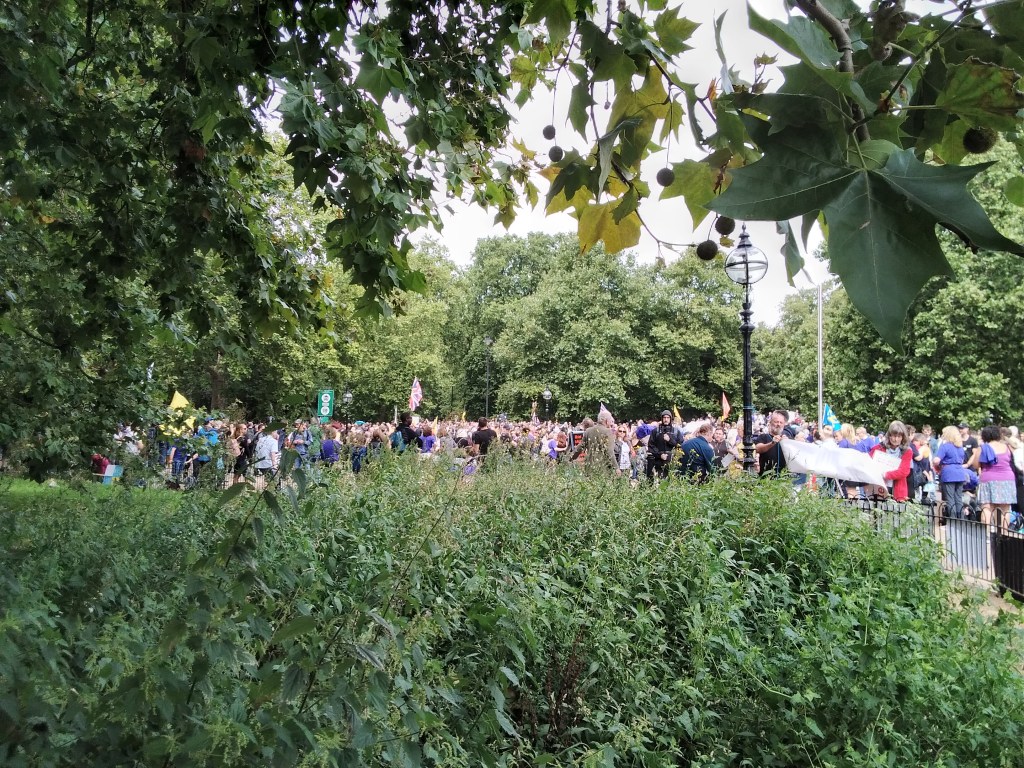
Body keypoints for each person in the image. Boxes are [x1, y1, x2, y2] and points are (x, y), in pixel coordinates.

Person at [973, 425, 1017, 528]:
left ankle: (987, 535)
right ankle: (1003, 535)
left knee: (987, 508)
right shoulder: (1007, 447)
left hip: (988, 478)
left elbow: (975, 465)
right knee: (1005, 510)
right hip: (1007, 479)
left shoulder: (983, 448)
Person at [868, 421, 913, 502]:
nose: (896, 439)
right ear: (889, 435)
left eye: (899, 436)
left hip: (898, 490)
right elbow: (868, 465)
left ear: (903, 437)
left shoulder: (907, 451)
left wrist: (886, 474)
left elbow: (904, 471)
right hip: (879, 487)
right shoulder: (877, 448)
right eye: (894, 436)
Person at [933, 425, 967, 520]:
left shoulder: (945, 446)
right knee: (958, 498)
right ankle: (961, 520)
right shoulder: (960, 447)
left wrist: (934, 461)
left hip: (949, 473)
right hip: (960, 472)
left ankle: (953, 520)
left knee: (950, 498)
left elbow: (937, 460)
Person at [754, 410, 790, 478]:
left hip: (783, 478)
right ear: (770, 423)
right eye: (776, 422)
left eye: (781, 422)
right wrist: (772, 443)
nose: (778, 424)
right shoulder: (764, 437)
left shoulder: (787, 438)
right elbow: (757, 448)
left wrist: (788, 444)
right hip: (766, 477)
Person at [646, 410, 678, 480]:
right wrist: (660, 454)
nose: (666, 419)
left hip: (672, 461)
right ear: (662, 418)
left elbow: (679, 445)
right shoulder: (656, 431)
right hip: (658, 461)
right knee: (660, 481)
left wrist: (670, 440)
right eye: (664, 417)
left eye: (668, 418)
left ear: (670, 419)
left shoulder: (676, 431)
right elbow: (651, 445)